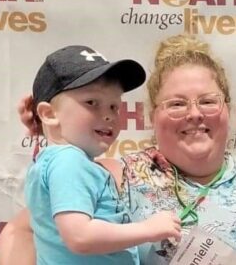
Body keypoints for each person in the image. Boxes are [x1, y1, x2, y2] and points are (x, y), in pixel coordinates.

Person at [1, 35, 236, 265]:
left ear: (228, 109)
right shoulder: (114, 176)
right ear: (153, 115)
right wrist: (49, 130)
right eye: (176, 104)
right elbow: (25, 230)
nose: (194, 114)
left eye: (207, 101)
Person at [23, 45, 182, 264]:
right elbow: (80, 236)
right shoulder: (68, 161)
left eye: (114, 106)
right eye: (92, 103)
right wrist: (147, 228)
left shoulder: (58, 161)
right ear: (49, 114)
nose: (108, 115)